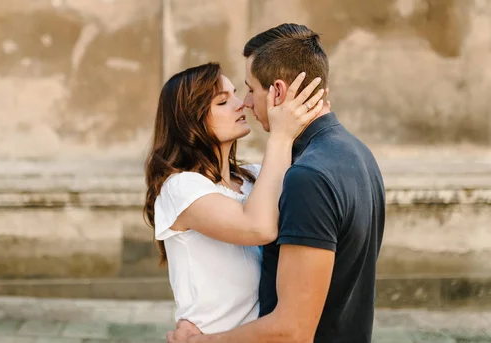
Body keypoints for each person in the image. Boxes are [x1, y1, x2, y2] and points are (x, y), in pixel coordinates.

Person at [167, 24, 386, 343]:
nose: (246, 103)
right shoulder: (358, 154)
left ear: (279, 93)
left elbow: (291, 331)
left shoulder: (307, 177)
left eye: (250, 89)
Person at [143, 62, 325, 334]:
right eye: (222, 102)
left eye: (236, 95)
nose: (241, 105)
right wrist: (281, 135)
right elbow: (259, 227)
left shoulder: (254, 177)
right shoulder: (180, 189)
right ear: (191, 119)